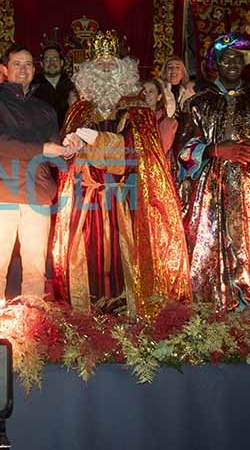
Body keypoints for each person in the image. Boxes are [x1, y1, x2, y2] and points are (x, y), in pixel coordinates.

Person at [50, 32, 191, 312]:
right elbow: (67, 161)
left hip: (126, 201)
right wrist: (71, 146)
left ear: (122, 70)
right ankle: (87, 316)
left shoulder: (137, 108)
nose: (104, 70)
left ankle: (128, 314)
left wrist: (97, 142)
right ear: (89, 71)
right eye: (99, 65)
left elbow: (137, 151)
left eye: (110, 65)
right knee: (86, 258)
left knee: (125, 257)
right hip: (86, 201)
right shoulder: (78, 109)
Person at [175, 33, 250, 307]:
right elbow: (182, 150)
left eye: (237, 60)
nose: (231, 64)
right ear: (216, 64)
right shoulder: (198, 104)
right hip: (210, 192)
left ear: (245, 64)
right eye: (225, 59)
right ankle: (212, 313)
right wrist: (215, 150)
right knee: (209, 245)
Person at [0, 45, 72, 300]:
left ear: (34, 70)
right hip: (2, 189)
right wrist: (42, 148)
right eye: (17, 64)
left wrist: (68, 150)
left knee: (35, 267)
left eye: (28, 64)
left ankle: (34, 322)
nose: (23, 69)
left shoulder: (45, 109)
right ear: (6, 70)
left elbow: (53, 155)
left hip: (37, 192)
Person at [29, 43, 76, 126]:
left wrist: (74, 107)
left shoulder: (73, 87)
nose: (51, 63)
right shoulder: (32, 88)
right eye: (47, 60)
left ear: (61, 63)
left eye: (55, 59)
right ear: (41, 64)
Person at [141, 77, 178, 156]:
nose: (146, 95)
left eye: (151, 92)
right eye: (143, 92)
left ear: (159, 97)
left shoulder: (169, 123)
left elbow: (161, 151)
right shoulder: (131, 120)